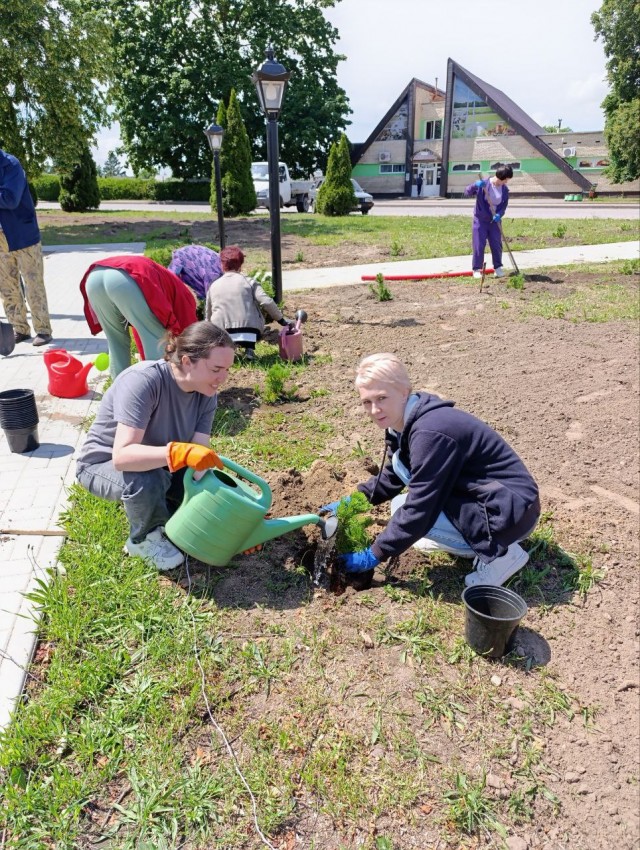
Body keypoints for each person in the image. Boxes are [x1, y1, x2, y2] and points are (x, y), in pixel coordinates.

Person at [321, 353, 540, 588]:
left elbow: (421, 507)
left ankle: (502, 556)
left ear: (404, 391)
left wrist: (375, 553)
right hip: (484, 499)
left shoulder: (430, 433)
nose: (374, 410)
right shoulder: (403, 422)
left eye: (382, 398)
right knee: (398, 508)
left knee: (414, 516)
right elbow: (395, 474)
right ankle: (466, 541)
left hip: (510, 514)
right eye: (367, 402)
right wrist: (353, 502)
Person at [75, 322, 235, 571]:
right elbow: (122, 457)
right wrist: (176, 453)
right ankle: (143, 540)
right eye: (216, 369)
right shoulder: (144, 381)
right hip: (103, 465)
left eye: (227, 370)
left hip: (160, 463)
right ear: (187, 361)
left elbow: (199, 461)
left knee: (197, 488)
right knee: (148, 478)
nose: (222, 379)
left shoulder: (207, 394)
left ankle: (165, 513)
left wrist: (224, 523)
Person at [79, 255, 199, 378]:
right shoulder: (187, 297)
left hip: (95, 276)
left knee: (116, 341)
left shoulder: (168, 285)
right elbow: (190, 340)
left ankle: (118, 392)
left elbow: (140, 334)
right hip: (127, 278)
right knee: (157, 340)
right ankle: (158, 392)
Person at [0, 148, 53, 346]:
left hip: (22, 235)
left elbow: (10, 199)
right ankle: (20, 329)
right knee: (7, 286)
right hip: (0, 238)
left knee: (33, 283)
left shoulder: (11, 165)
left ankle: (43, 330)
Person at [206, 245, 291, 360]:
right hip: (250, 333)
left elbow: (208, 315)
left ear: (222, 265)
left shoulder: (213, 286)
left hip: (222, 335)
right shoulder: (249, 282)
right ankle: (249, 349)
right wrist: (281, 320)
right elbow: (266, 301)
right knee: (251, 309)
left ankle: (229, 352)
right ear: (241, 265)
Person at [464, 165, 513, 279]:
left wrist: (499, 214)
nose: (507, 181)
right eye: (506, 179)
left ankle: (498, 268)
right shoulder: (484, 184)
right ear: (501, 177)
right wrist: (474, 185)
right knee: (479, 244)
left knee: (496, 244)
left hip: (495, 221)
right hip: (480, 220)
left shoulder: (504, 189)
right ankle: (477, 269)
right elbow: (467, 192)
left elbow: (504, 205)